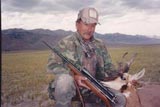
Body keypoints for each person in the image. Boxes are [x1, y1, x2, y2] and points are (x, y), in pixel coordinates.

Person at [47, 7, 126, 107]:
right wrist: (74, 77)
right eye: (86, 24)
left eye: (93, 25)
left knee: (120, 99)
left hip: (94, 88)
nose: (90, 29)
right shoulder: (66, 43)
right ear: (77, 24)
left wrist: (120, 73)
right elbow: (52, 65)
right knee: (64, 81)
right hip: (74, 89)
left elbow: (108, 68)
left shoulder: (100, 44)